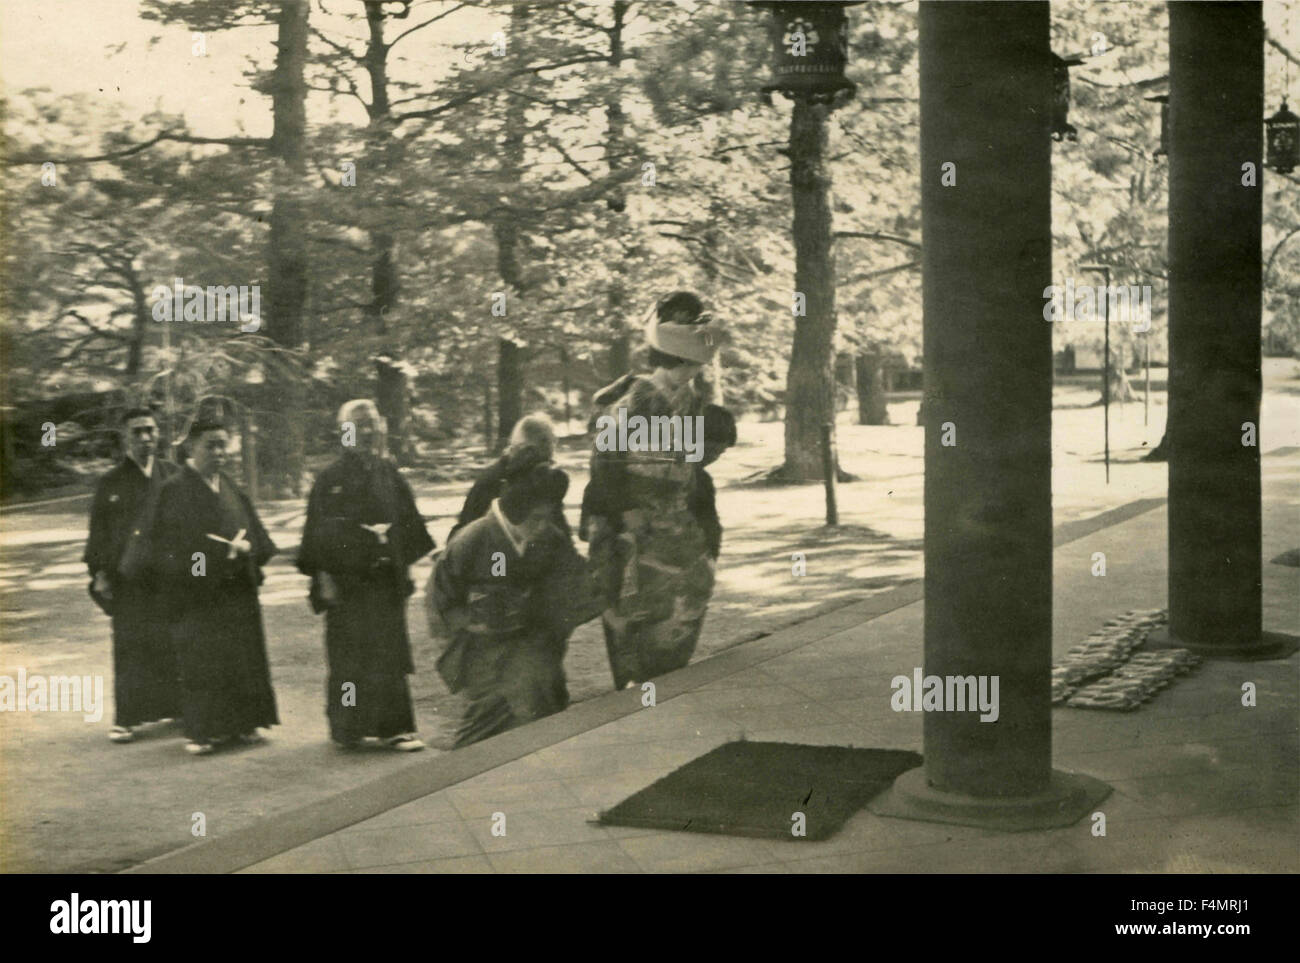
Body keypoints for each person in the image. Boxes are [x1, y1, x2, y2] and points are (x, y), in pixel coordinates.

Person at [580, 291, 729, 690]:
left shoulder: (694, 400)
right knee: (635, 624)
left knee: (681, 619)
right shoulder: (629, 399)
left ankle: (665, 691)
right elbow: (605, 468)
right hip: (632, 531)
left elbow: (692, 464)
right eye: (692, 362)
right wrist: (630, 516)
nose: (696, 370)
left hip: (678, 529)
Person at [297, 400, 435, 751]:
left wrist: (416, 557)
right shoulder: (330, 480)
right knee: (348, 661)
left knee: (389, 657)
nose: (368, 431)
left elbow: (410, 524)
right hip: (347, 586)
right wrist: (324, 577)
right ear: (345, 431)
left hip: (384, 583)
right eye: (359, 424)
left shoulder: (390, 473)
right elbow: (316, 534)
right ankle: (347, 727)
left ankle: (396, 729)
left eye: (373, 424)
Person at [146, 406, 278, 755]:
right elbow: (169, 547)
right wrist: (208, 565)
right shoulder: (174, 490)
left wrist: (247, 548)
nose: (219, 453)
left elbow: (256, 534)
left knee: (241, 656)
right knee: (204, 661)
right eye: (210, 446)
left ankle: (244, 724)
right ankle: (205, 731)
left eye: (223, 445)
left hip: (236, 588)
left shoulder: (231, 487)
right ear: (191, 448)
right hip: (198, 594)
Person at [432, 456, 579, 748]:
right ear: (515, 511)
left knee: (543, 728)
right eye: (535, 518)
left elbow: (571, 589)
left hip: (537, 650)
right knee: (484, 739)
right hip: (485, 659)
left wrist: (548, 618)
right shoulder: (471, 540)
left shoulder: (551, 539)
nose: (542, 526)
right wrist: (473, 622)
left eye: (547, 517)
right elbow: (442, 601)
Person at [84, 407, 181, 742]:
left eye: (150, 430)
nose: (145, 437)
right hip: (128, 579)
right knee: (130, 646)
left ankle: (177, 707)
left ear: (159, 433)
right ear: (125, 437)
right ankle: (127, 718)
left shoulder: (173, 474)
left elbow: (188, 526)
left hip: (167, 577)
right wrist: (99, 573)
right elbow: (98, 534)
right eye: (137, 431)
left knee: (172, 641)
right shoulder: (110, 483)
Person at [449, 412, 568, 541]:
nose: (545, 468)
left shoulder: (542, 480)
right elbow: (469, 537)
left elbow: (558, 528)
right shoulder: (491, 481)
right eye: (544, 459)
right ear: (526, 451)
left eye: (549, 461)